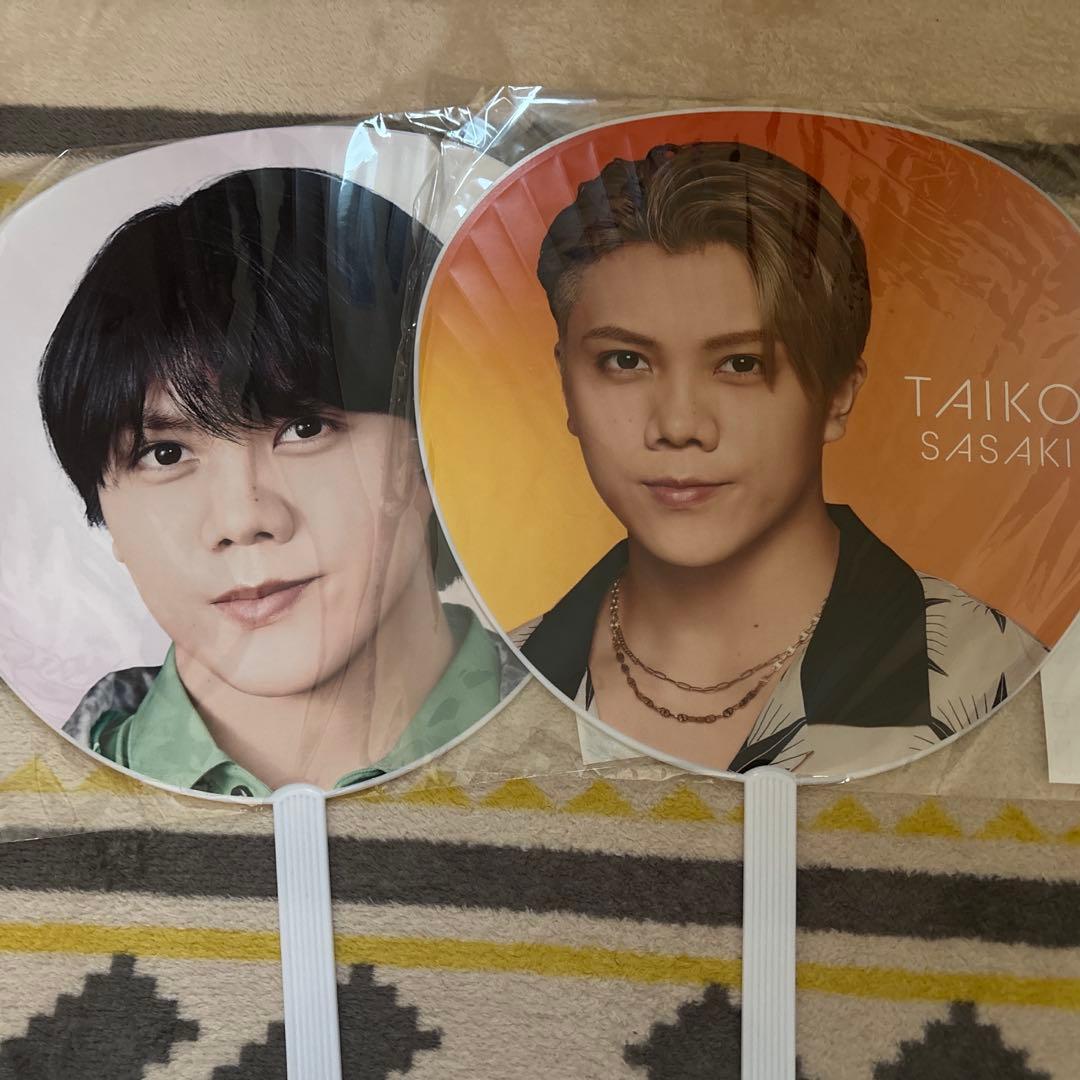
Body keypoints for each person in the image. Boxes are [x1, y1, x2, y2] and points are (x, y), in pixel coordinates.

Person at [516, 140, 1046, 777]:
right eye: (624, 361)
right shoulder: (494, 688)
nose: (679, 426)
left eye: (742, 364)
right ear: (566, 385)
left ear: (838, 396)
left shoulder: (1005, 680)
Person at [39, 167, 522, 797]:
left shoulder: (608, 725)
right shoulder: (30, 803)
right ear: (107, 514)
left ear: (436, 444)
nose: (242, 520)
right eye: (164, 454)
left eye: (304, 428)